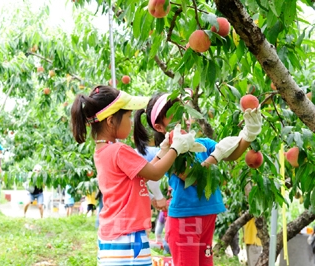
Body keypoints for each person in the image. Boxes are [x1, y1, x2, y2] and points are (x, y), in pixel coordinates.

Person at [70, 85, 200, 265]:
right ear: (110, 121)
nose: (131, 122)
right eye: (128, 116)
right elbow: (155, 174)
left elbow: (143, 174)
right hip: (128, 237)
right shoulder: (119, 150)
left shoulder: (102, 151)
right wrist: (176, 148)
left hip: (113, 235)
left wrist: (163, 151)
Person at [133, 92, 262, 266]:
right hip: (185, 222)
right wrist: (215, 157)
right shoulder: (170, 153)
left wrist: (249, 133)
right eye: (174, 114)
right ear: (159, 127)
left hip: (206, 217)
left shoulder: (202, 143)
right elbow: (192, 177)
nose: (182, 118)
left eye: (183, 111)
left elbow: (234, 153)